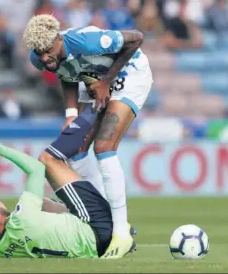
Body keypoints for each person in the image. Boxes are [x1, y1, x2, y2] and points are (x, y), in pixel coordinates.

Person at [23, 14, 153, 258]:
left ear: (59, 39)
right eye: (39, 52)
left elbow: (136, 38)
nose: (44, 58)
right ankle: (111, 220)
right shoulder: (40, 59)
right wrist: (71, 113)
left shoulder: (88, 41)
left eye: (48, 50)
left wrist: (107, 81)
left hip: (128, 74)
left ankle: (121, 235)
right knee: (77, 149)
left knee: (103, 146)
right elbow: (66, 72)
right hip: (93, 78)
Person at [0, 104, 136, 259]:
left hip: (93, 249)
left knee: (45, 203)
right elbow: (37, 169)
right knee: (48, 159)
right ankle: (97, 106)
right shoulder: (21, 220)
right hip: (97, 227)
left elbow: (8, 234)